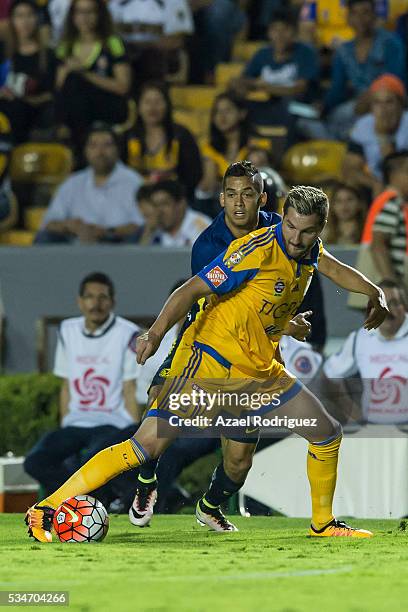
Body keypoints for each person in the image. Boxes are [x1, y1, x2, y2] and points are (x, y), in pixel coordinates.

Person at [25, 165, 389, 543]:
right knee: (144, 445)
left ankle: (322, 524)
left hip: (259, 370)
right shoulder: (252, 250)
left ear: (319, 230)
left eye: (306, 231)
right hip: (208, 362)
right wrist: (155, 332)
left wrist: (373, 292)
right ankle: (46, 509)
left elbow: (332, 268)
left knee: (324, 433)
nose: (296, 239)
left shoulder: (309, 249)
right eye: (291, 228)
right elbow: (190, 291)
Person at [24, 272, 141, 507]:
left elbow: (130, 387)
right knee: (35, 461)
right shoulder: (67, 330)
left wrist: (133, 433)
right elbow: (66, 386)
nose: (95, 304)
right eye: (89, 297)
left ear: (112, 302)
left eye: (102, 297)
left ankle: (89, 504)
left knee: (92, 459)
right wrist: (65, 422)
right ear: (79, 301)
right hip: (76, 423)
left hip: (113, 424)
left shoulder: (128, 333)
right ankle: (85, 503)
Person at [35, 124, 144, 244]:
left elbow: (141, 225)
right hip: (77, 244)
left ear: (118, 150)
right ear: (85, 151)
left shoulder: (134, 182)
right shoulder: (73, 183)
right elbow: (49, 223)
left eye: (107, 145)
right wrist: (69, 225)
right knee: (44, 237)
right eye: (93, 146)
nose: (100, 152)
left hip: (117, 244)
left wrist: (105, 232)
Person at [322, 280, 408, 425]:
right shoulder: (360, 338)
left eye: (393, 303)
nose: (386, 311)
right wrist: (353, 414)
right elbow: (330, 375)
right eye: (380, 304)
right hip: (373, 430)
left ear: (405, 308)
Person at [55, 0, 131, 153]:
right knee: (72, 83)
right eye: (80, 12)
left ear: (99, 15)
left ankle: (80, 148)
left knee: (76, 80)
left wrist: (85, 73)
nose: (85, 17)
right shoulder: (65, 46)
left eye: (90, 12)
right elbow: (59, 88)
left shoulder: (112, 43)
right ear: (73, 16)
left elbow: (123, 86)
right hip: (76, 108)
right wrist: (66, 72)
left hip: (108, 104)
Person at [324, 0, 406, 140]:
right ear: (348, 18)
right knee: (333, 118)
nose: (360, 19)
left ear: (374, 16)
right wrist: (323, 107)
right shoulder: (343, 51)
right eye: (355, 14)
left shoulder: (391, 43)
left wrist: (371, 98)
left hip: (389, 103)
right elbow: (337, 90)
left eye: (365, 13)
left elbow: (396, 80)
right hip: (357, 107)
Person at [196, 91, 271, 217]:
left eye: (228, 111)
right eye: (217, 112)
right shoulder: (209, 148)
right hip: (217, 205)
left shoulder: (258, 145)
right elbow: (206, 187)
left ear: (242, 114)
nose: (222, 117)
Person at [127, 81, 202, 201]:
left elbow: (192, 177)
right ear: (139, 107)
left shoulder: (181, 136)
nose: (152, 107)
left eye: (158, 102)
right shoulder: (127, 137)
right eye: (147, 102)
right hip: (135, 200)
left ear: (167, 105)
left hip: (174, 201)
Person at [0, 0, 56, 143]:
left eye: (30, 15)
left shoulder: (48, 55)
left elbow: (51, 94)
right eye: (19, 16)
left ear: (37, 19)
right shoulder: (3, 51)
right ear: (11, 20)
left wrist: (23, 100)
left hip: (34, 112)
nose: (25, 21)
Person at [343, 74, 408, 195]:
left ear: (400, 105)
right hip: (374, 184)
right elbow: (350, 168)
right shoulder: (363, 126)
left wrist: (383, 136)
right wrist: (374, 183)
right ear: (371, 107)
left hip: (403, 186)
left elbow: (395, 174)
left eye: (389, 102)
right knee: (349, 184)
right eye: (377, 103)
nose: (383, 109)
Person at [108, 0, 193, 85]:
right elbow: (106, 34)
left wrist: (142, 43)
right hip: (124, 55)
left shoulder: (174, 2)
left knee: (151, 57)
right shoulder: (115, 2)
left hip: (158, 57)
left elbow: (177, 41)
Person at [369, 151, 408, 293]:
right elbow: (378, 243)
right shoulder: (391, 201)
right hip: (390, 285)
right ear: (394, 175)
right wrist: (391, 284)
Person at [149, 179, 212, 247]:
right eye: (155, 205)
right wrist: (149, 231)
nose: (159, 211)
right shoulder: (154, 229)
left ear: (181, 204)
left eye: (165, 204)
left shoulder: (201, 227)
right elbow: (141, 255)